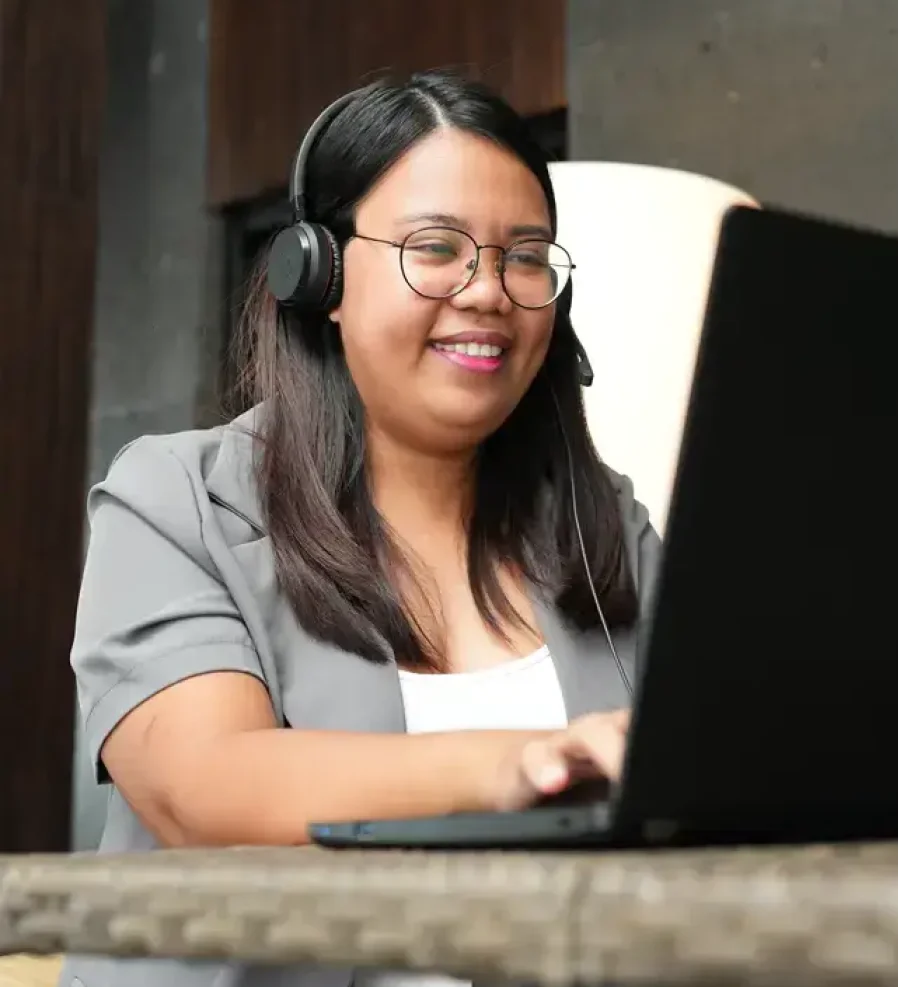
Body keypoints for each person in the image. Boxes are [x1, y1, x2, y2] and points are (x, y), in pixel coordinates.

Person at [60, 70, 660, 987]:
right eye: (436, 247)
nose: (488, 291)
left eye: (526, 255)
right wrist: (521, 765)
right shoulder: (175, 501)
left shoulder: (603, 523)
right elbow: (204, 789)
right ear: (320, 275)